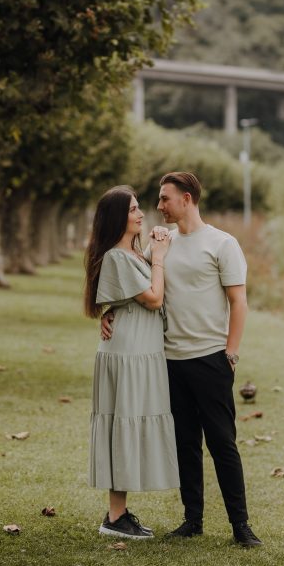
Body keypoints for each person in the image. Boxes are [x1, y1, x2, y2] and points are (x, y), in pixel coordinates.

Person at [102, 171, 262, 547]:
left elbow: (239, 301)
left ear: (187, 198)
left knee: (223, 443)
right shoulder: (161, 242)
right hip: (169, 361)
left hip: (210, 359)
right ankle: (193, 519)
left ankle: (241, 526)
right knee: (185, 443)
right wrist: (109, 311)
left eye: (164, 199)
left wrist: (231, 352)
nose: (159, 207)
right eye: (157, 200)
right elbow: (133, 281)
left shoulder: (223, 243)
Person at [84, 185, 179, 540]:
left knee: (130, 425)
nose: (142, 214)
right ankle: (115, 516)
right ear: (117, 218)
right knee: (122, 424)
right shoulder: (115, 257)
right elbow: (153, 298)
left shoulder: (133, 254)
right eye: (134, 209)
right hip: (127, 354)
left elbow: (136, 294)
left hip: (140, 351)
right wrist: (159, 257)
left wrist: (156, 244)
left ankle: (119, 514)